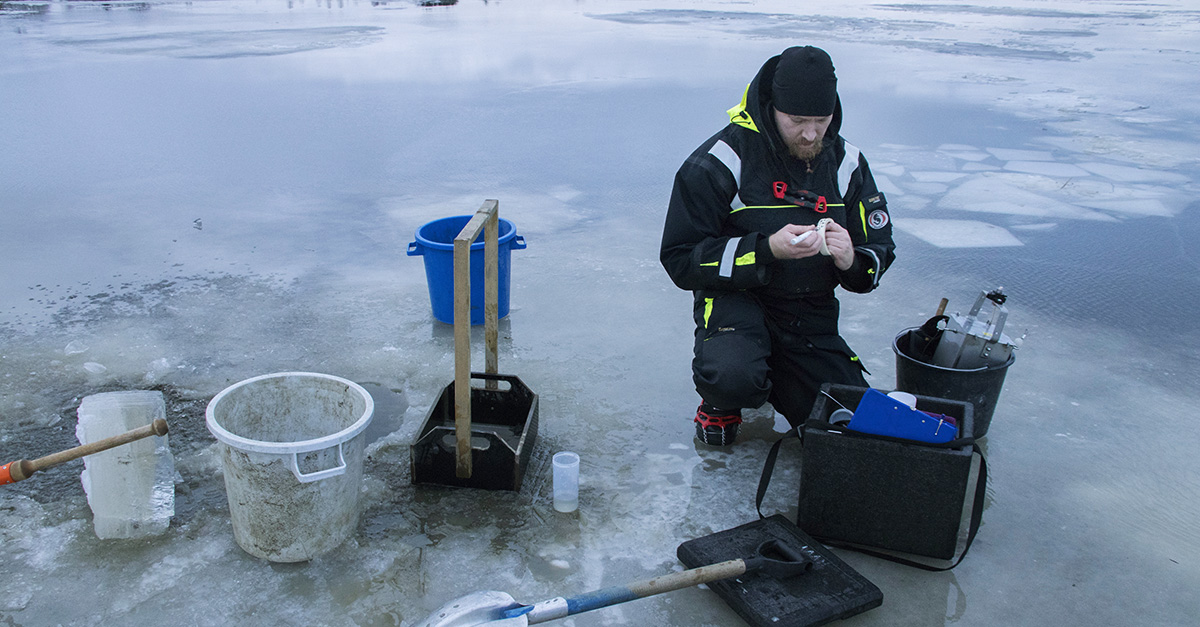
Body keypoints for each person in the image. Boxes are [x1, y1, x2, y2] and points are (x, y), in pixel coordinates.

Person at [660, 45, 896, 446]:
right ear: (772, 108)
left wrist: (852, 259)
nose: (810, 133)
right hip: (738, 301)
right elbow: (680, 259)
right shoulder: (721, 160)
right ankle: (722, 399)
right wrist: (767, 248)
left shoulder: (847, 163)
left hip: (810, 316)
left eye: (821, 121)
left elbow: (880, 248)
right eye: (797, 120)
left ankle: (789, 378)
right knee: (734, 375)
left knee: (850, 426)